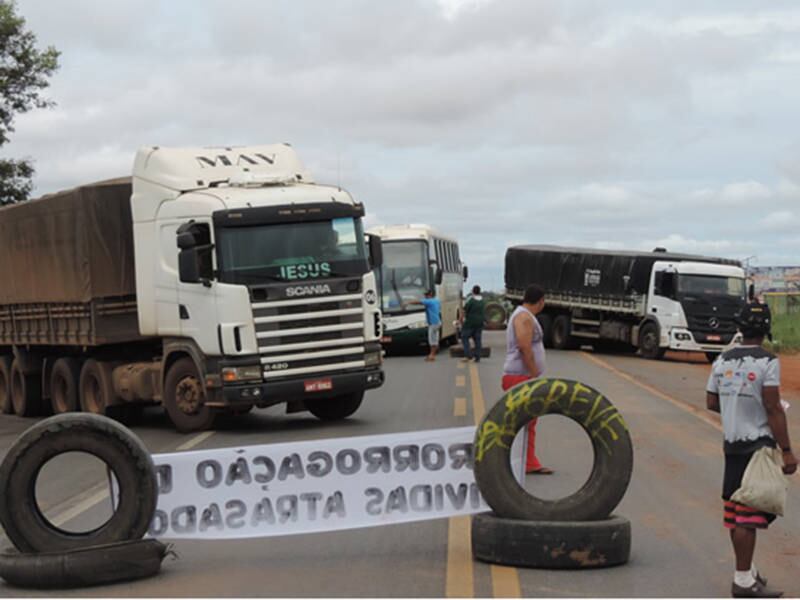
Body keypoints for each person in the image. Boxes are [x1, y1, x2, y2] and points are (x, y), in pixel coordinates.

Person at [706, 302, 797, 598]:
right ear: (766, 330)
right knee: (749, 515)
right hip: (757, 447)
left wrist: (735, 407)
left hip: (732, 445)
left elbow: (711, 402)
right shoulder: (767, 362)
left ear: (740, 327)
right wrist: (786, 451)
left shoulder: (722, 359)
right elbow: (772, 407)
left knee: (736, 511)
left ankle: (747, 571)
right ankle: (743, 581)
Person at [502, 284, 553, 475]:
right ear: (540, 301)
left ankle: (528, 461)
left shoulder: (522, 315)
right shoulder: (524, 317)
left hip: (520, 376)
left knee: (529, 422)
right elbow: (524, 346)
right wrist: (534, 376)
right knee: (522, 421)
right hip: (521, 376)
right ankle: (516, 461)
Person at [406, 291, 442, 362]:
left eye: (426, 295)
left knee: (431, 340)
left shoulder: (429, 301)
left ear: (430, 295)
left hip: (433, 323)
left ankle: (432, 355)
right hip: (438, 322)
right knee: (435, 339)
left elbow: (418, 302)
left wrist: (408, 302)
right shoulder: (436, 300)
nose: (425, 296)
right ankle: (433, 354)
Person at [461, 285, 486, 363]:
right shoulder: (483, 301)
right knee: (477, 340)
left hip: (470, 323)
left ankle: (468, 355)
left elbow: (464, 310)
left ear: (473, 291)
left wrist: (460, 320)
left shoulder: (471, 300)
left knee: (464, 337)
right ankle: (477, 357)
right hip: (480, 323)